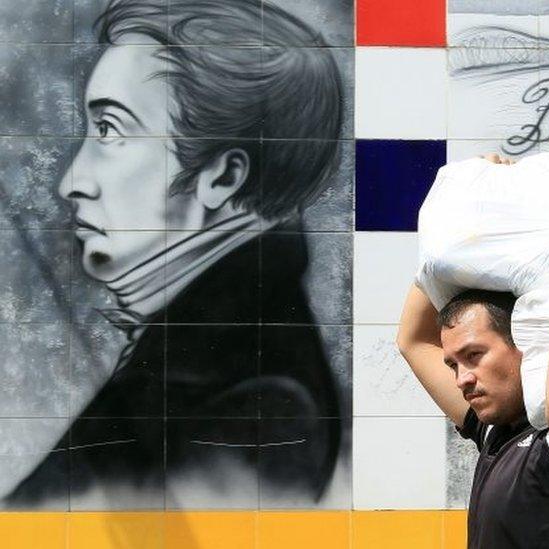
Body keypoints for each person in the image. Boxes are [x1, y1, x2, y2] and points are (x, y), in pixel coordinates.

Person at [5, 0, 343, 506]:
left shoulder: (257, 403)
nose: (73, 182)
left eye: (110, 130)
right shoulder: (208, 357)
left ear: (223, 177)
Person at [398, 251, 549, 547]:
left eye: (474, 355)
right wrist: (448, 248)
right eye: (453, 364)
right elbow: (414, 341)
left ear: (526, 343)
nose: (462, 379)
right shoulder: (493, 431)